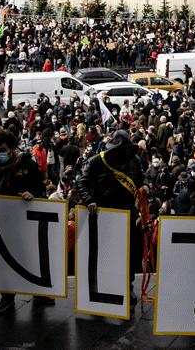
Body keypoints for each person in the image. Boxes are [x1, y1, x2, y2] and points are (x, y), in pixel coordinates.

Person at [75, 129, 144, 315]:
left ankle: (127, 287)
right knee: (103, 254)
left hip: (128, 213)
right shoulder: (97, 161)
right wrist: (89, 200)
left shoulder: (135, 161)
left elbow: (140, 181)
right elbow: (82, 183)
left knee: (129, 254)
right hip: (104, 215)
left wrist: (145, 190)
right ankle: (101, 287)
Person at [0, 130, 49, 315]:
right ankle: (7, 298)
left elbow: (40, 186)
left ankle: (39, 291)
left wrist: (32, 194)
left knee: (29, 255)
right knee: (4, 258)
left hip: (25, 219)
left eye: (2, 149)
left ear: (11, 148)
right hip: (1, 220)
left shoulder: (27, 163)